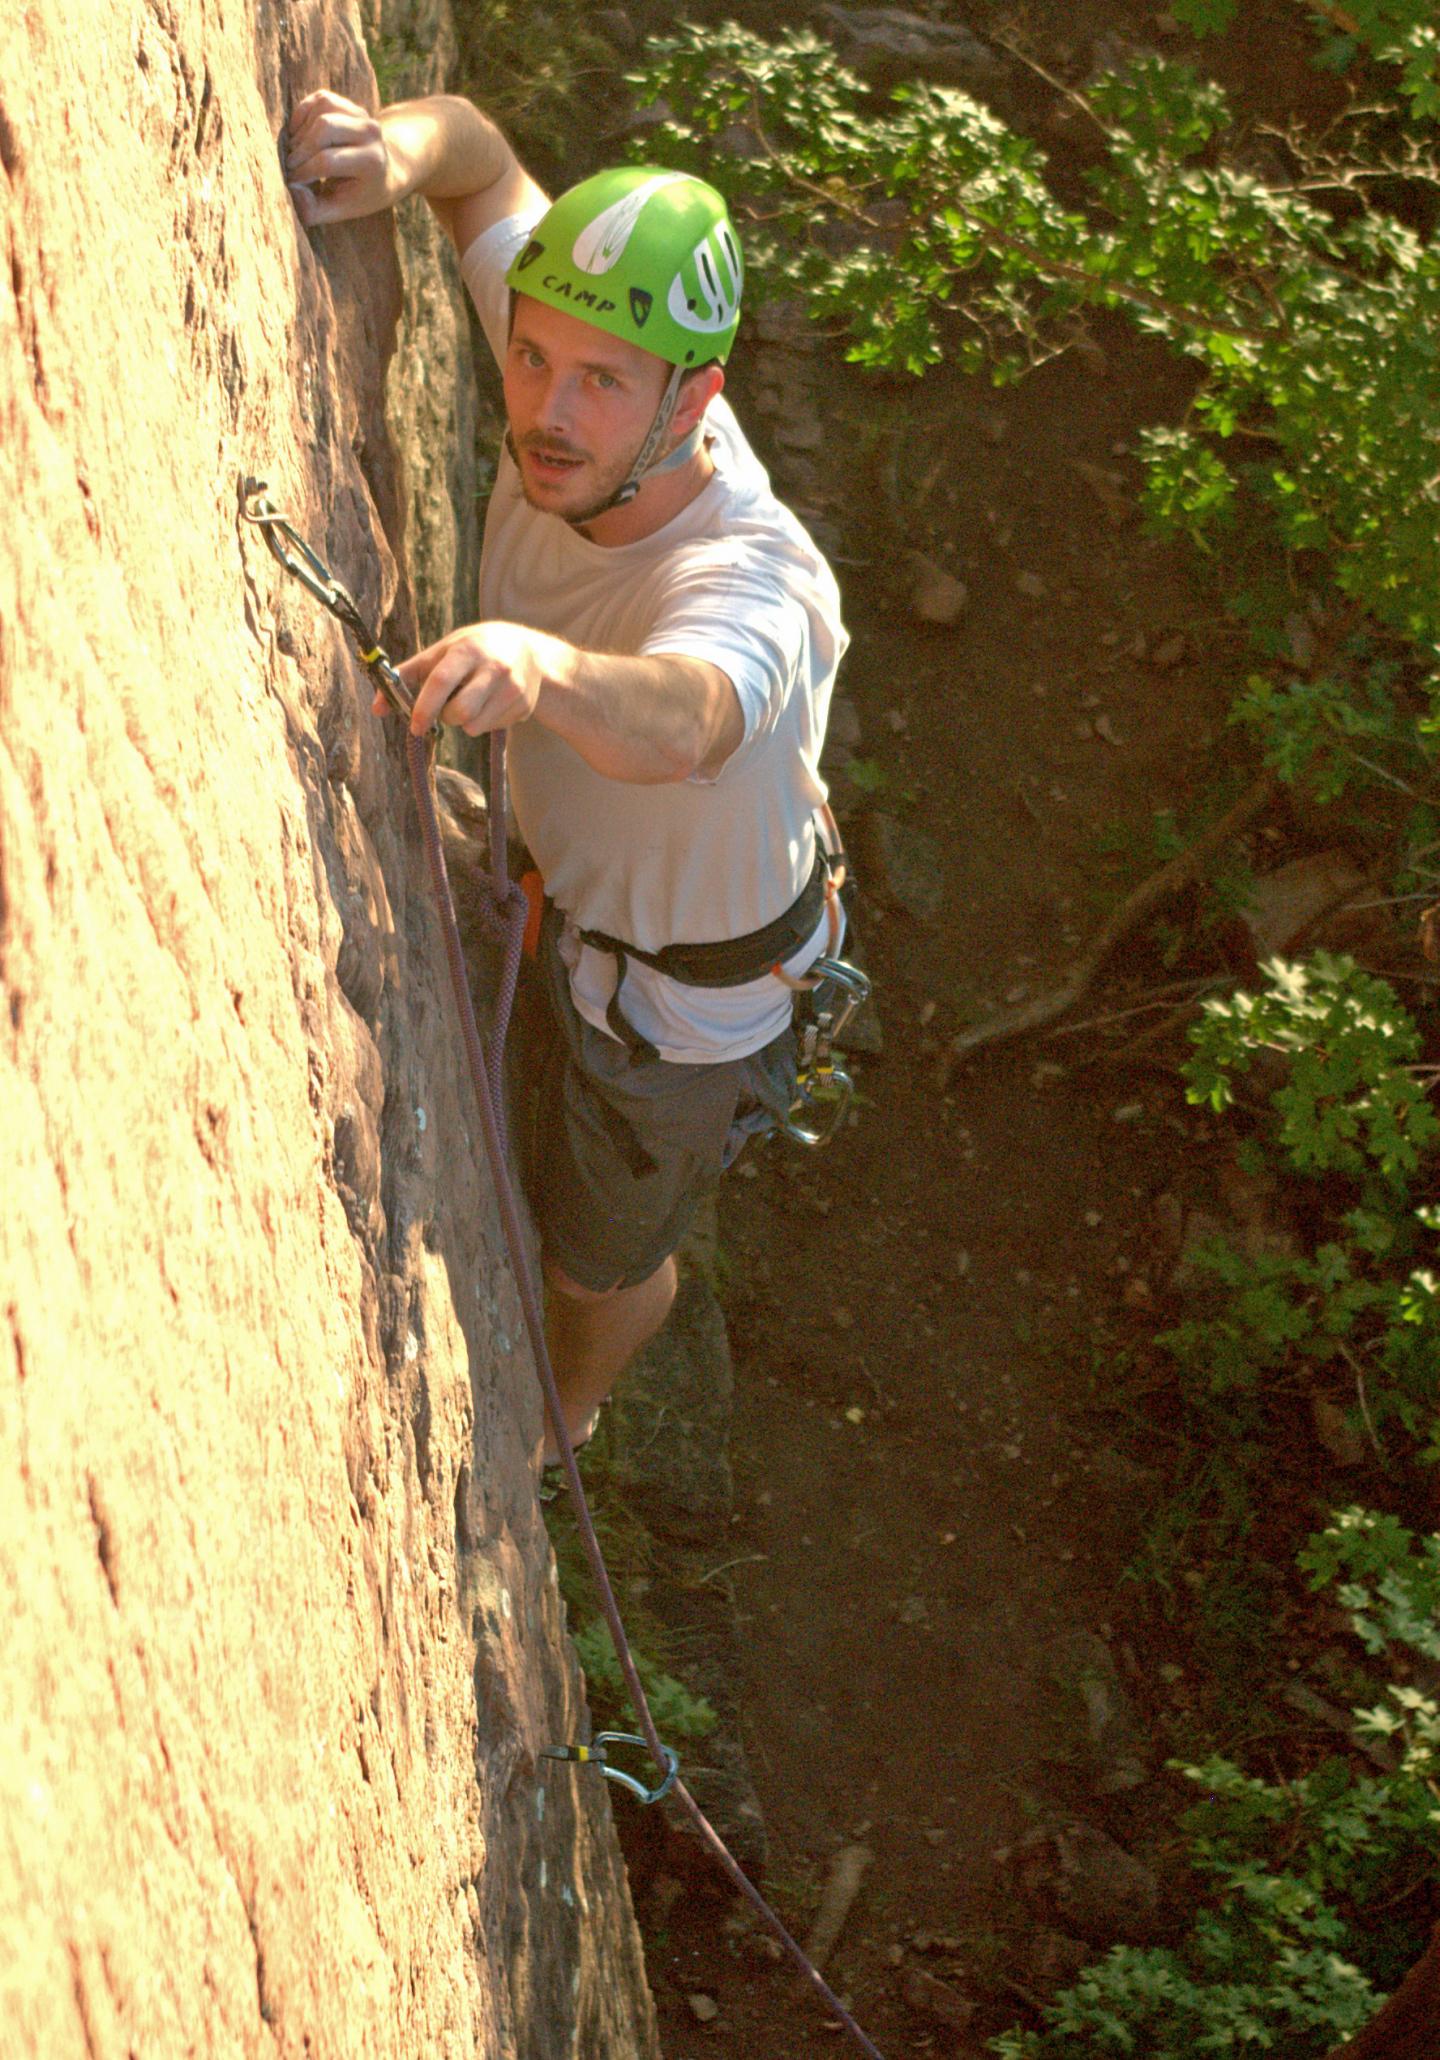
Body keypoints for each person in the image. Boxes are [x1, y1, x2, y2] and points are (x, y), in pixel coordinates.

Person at [285, 89, 849, 1466]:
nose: (546, 408)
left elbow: (693, 714)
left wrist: (539, 672)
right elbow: (476, 161)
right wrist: (397, 152)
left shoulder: (756, 577)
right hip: (573, 878)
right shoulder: (584, 376)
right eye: (532, 359)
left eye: (599, 382)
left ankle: (569, 1412)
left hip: (682, 1007)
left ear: (694, 398)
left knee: (601, 1258)